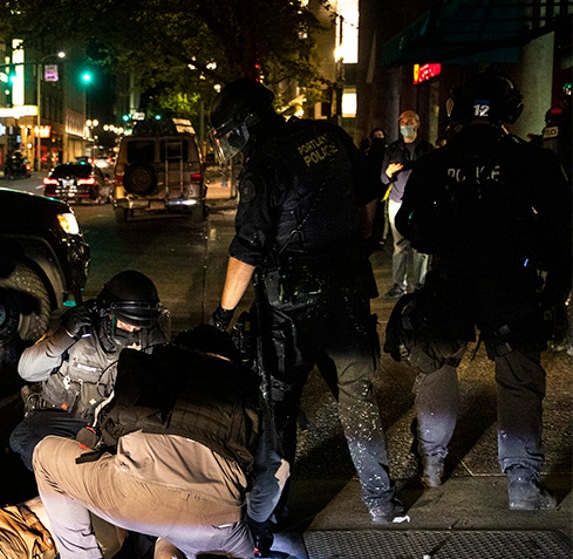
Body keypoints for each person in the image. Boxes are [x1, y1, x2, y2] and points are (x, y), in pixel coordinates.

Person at [206, 78, 401, 528]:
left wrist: (223, 315)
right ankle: (382, 500)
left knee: (280, 406)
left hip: (292, 304)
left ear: (245, 125)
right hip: (348, 288)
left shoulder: (264, 163)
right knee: (357, 393)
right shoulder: (325, 135)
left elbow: (248, 247)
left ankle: (274, 513)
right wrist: (361, 241)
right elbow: (369, 191)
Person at [394, 74, 571, 507]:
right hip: (511, 283)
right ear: (510, 112)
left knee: (436, 365)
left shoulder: (436, 163)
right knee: (519, 378)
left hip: (449, 280)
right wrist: (553, 289)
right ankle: (522, 484)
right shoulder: (532, 161)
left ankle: (432, 465)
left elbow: (408, 223)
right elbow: (562, 229)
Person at [32, 326, 258, 559]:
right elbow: (272, 474)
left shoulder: (155, 367)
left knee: (46, 455)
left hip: (132, 500)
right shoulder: (247, 393)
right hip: (212, 516)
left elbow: (98, 435)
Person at [10, 270, 168, 471]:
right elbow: (27, 370)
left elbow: (162, 384)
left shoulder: (150, 336)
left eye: (137, 327)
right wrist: (65, 334)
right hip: (66, 417)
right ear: (107, 312)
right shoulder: (78, 325)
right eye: (124, 323)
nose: (131, 331)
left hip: (118, 424)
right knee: (24, 439)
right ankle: (71, 482)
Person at [381, 110, 434, 298]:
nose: (405, 125)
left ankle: (420, 284)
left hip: (421, 203)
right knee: (399, 246)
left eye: (409, 121)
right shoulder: (393, 149)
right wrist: (388, 173)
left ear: (417, 124)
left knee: (421, 246)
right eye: (402, 122)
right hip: (397, 201)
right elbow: (382, 178)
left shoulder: (427, 149)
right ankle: (398, 284)